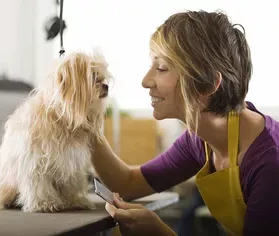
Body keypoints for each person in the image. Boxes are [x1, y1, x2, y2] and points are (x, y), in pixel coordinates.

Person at [91, 10, 279, 236]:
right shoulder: (201, 139)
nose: (145, 81)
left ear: (208, 85)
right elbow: (129, 184)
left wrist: (160, 232)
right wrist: (87, 124)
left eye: (161, 68)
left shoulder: (270, 166)